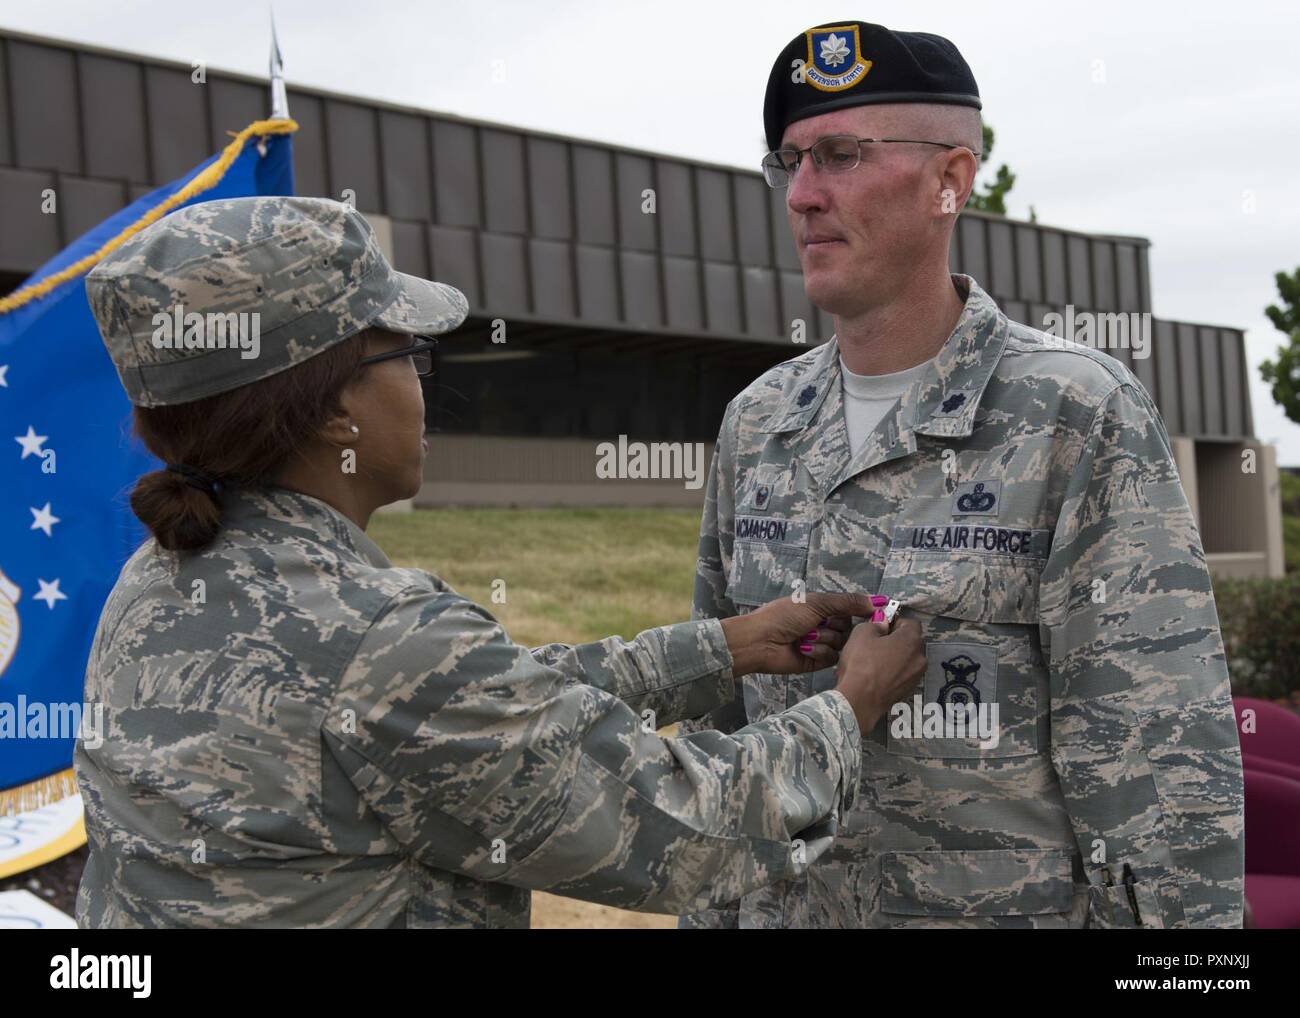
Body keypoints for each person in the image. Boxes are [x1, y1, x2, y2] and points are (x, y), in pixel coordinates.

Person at [72, 195, 926, 928]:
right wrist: (851, 705)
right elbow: (686, 822)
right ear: (335, 411)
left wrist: (727, 647)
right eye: (405, 351)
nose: (421, 380)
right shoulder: (379, 637)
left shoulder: (157, 581)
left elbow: (488, 704)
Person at [678, 20, 1244, 929]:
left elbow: (1160, 765)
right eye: (790, 162)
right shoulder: (758, 423)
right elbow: (715, 710)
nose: (805, 195)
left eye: (842, 154)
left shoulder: (1075, 411)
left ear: (950, 180)